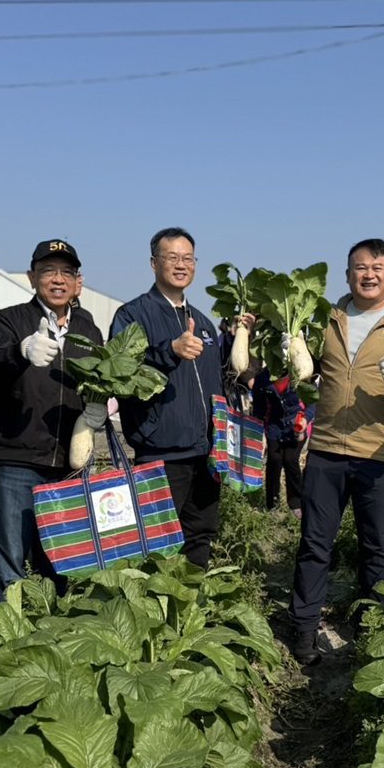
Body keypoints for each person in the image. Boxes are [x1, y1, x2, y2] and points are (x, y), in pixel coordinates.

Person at [288, 238, 384, 665]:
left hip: (378, 454)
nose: (369, 274)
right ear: (348, 274)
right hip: (327, 448)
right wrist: (293, 359)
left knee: (378, 547)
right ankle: (303, 632)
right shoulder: (326, 318)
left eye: (377, 267)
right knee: (315, 544)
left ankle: (374, 635)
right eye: (360, 267)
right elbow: (306, 377)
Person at [0, 239, 104, 608]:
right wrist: (21, 353)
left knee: (63, 561)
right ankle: (1, 644)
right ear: (32, 276)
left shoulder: (89, 328)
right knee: (9, 566)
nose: (57, 279)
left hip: (69, 465)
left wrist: (100, 408)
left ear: (77, 281)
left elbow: (101, 381)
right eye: (48, 270)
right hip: (16, 460)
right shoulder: (8, 319)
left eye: (66, 271)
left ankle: (54, 639)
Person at [110, 227, 227, 569]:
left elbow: (216, 386)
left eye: (187, 258)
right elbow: (120, 371)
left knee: (199, 537)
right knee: (154, 544)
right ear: (153, 263)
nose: (181, 264)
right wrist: (168, 350)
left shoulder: (202, 323)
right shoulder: (132, 315)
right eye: (171, 257)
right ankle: (151, 619)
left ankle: (189, 614)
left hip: (204, 455)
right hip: (160, 452)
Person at [252, 368, 313, 518]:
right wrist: (258, 428)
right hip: (274, 425)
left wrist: (306, 419)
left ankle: (296, 503)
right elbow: (258, 404)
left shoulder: (300, 373)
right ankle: (272, 503)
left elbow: (312, 402)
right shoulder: (263, 378)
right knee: (274, 460)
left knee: (290, 460)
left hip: (297, 425)